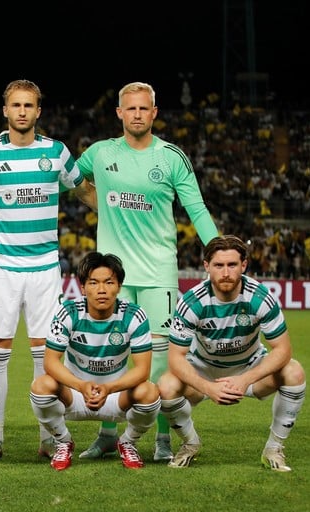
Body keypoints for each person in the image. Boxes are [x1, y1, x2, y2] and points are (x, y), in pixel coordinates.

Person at [74, 81, 219, 462]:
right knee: (108, 354)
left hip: (158, 272)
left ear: (154, 113)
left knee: (157, 359)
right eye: (130, 109)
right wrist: (96, 203)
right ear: (119, 113)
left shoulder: (172, 157)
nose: (137, 115)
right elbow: (72, 180)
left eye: (144, 109)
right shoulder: (100, 153)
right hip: (110, 274)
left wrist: (218, 251)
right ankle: (107, 433)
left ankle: (161, 438)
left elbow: (197, 210)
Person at [0, 79, 93, 461]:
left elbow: (85, 191)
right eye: (16, 105)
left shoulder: (57, 152)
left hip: (45, 265)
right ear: (6, 110)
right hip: (1, 265)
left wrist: (120, 212)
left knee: (46, 355)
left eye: (29, 105)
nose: (23, 111)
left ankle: (48, 437)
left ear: (38, 111)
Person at [158, 235, 306, 472]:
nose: (225, 272)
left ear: (244, 265)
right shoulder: (191, 302)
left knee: (294, 372)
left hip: (249, 367)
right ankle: (190, 443)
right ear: (206, 266)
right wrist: (208, 387)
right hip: (204, 369)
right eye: (218, 265)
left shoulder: (260, 297)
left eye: (232, 265)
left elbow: (283, 350)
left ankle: (274, 448)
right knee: (165, 385)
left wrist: (245, 379)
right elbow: (175, 358)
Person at [29, 251, 161, 470]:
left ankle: (128, 442)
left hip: (115, 395)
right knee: (41, 386)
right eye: (94, 283)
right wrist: (81, 385)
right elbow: (50, 362)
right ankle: (63, 442)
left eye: (109, 282)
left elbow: (143, 370)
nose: (101, 290)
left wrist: (109, 388)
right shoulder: (67, 312)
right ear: (83, 287)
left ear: (119, 286)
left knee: (150, 392)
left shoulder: (134, 315)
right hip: (76, 393)